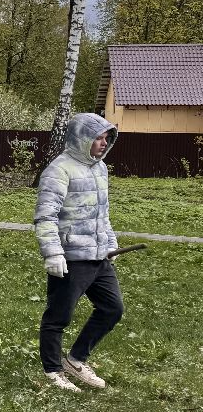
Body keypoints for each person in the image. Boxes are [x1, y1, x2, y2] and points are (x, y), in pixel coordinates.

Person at [35, 113, 124, 393]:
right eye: (98, 138)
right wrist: (53, 253)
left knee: (112, 308)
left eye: (106, 138)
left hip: (99, 256)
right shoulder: (58, 170)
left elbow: (102, 213)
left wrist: (110, 243)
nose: (103, 143)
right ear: (81, 139)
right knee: (58, 317)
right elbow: (46, 217)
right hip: (71, 257)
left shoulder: (101, 168)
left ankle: (75, 360)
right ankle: (53, 371)